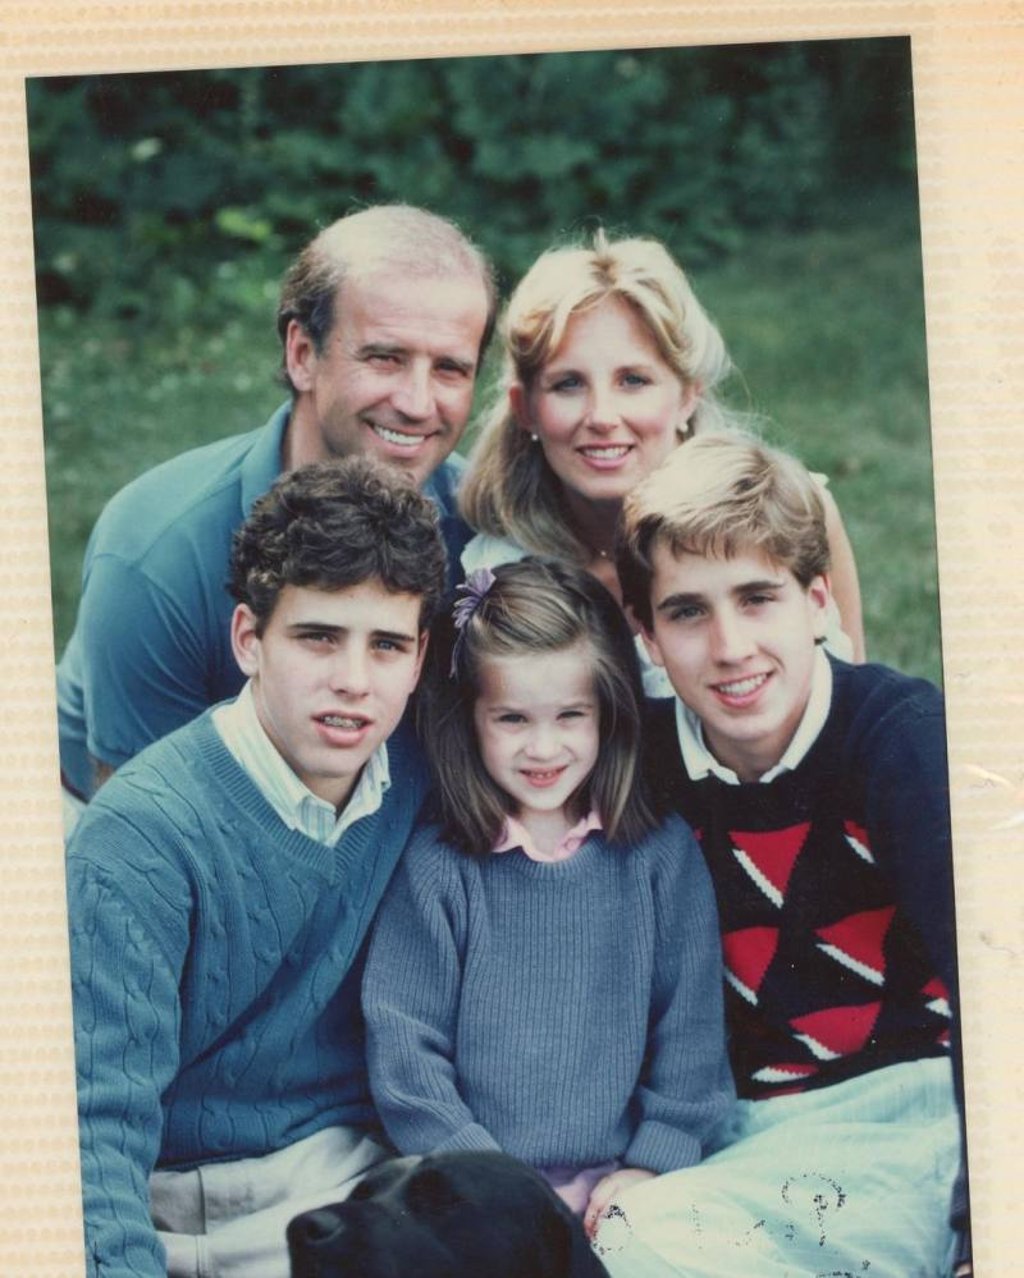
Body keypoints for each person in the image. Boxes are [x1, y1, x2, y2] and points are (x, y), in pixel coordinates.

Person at [592, 433, 968, 1276]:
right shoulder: (644, 764)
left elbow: (996, 996)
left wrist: (991, 1220)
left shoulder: (897, 740)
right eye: (687, 610)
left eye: (758, 597)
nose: (730, 648)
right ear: (645, 633)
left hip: (922, 1106)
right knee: (625, 1236)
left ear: (818, 600)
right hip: (753, 1131)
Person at [65, 457, 447, 1278]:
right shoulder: (141, 836)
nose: (352, 682)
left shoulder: (415, 772)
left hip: (360, 1174)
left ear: (418, 660)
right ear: (250, 639)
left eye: (385, 646)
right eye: (317, 637)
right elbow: (96, 1131)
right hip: (192, 1205)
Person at [56, 202, 496, 811]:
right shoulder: (158, 550)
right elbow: (136, 835)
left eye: (449, 368)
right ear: (302, 353)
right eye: (385, 357)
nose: (419, 403)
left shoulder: (484, 530)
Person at [361, 557, 734, 1242]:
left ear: (608, 714)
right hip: (471, 1186)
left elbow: (691, 1035)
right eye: (512, 718)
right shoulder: (441, 869)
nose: (544, 747)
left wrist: (652, 1163)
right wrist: (487, 1182)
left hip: (626, 1184)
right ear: (470, 718)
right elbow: (406, 1049)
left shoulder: (659, 856)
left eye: (571, 715)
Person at [457, 231, 864, 694]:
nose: (602, 417)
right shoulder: (492, 568)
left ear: (689, 395)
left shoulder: (796, 516)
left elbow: (854, 698)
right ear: (525, 406)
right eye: (568, 384)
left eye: (633, 380)